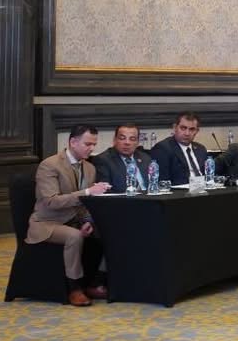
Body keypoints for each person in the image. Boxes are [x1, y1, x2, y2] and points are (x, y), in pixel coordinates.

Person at [30, 124, 112, 307]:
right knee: (74, 236)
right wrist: (88, 192)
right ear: (73, 142)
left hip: (74, 220)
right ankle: (74, 288)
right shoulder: (50, 165)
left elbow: (84, 204)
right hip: (47, 222)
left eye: (94, 144)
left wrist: (87, 220)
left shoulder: (89, 168)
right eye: (87, 144)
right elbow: (51, 201)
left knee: (107, 230)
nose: (92, 148)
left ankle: (96, 282)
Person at [149, 112, 210, 185]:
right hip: (181, 191)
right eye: (183, 128)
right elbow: (162, 182)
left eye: (192, 129)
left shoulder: (201, 149)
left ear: (196, 131)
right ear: (175, 128)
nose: (187, 133)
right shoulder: (163, 148)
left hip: (203, 189)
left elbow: (208, 175)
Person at [91, 124, 152, 194]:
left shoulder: (145, 158)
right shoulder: (103, 160)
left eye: (132, 139)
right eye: (122, 138)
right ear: (114, 140)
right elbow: (105, 191)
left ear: (138, 142)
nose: (127, 143)